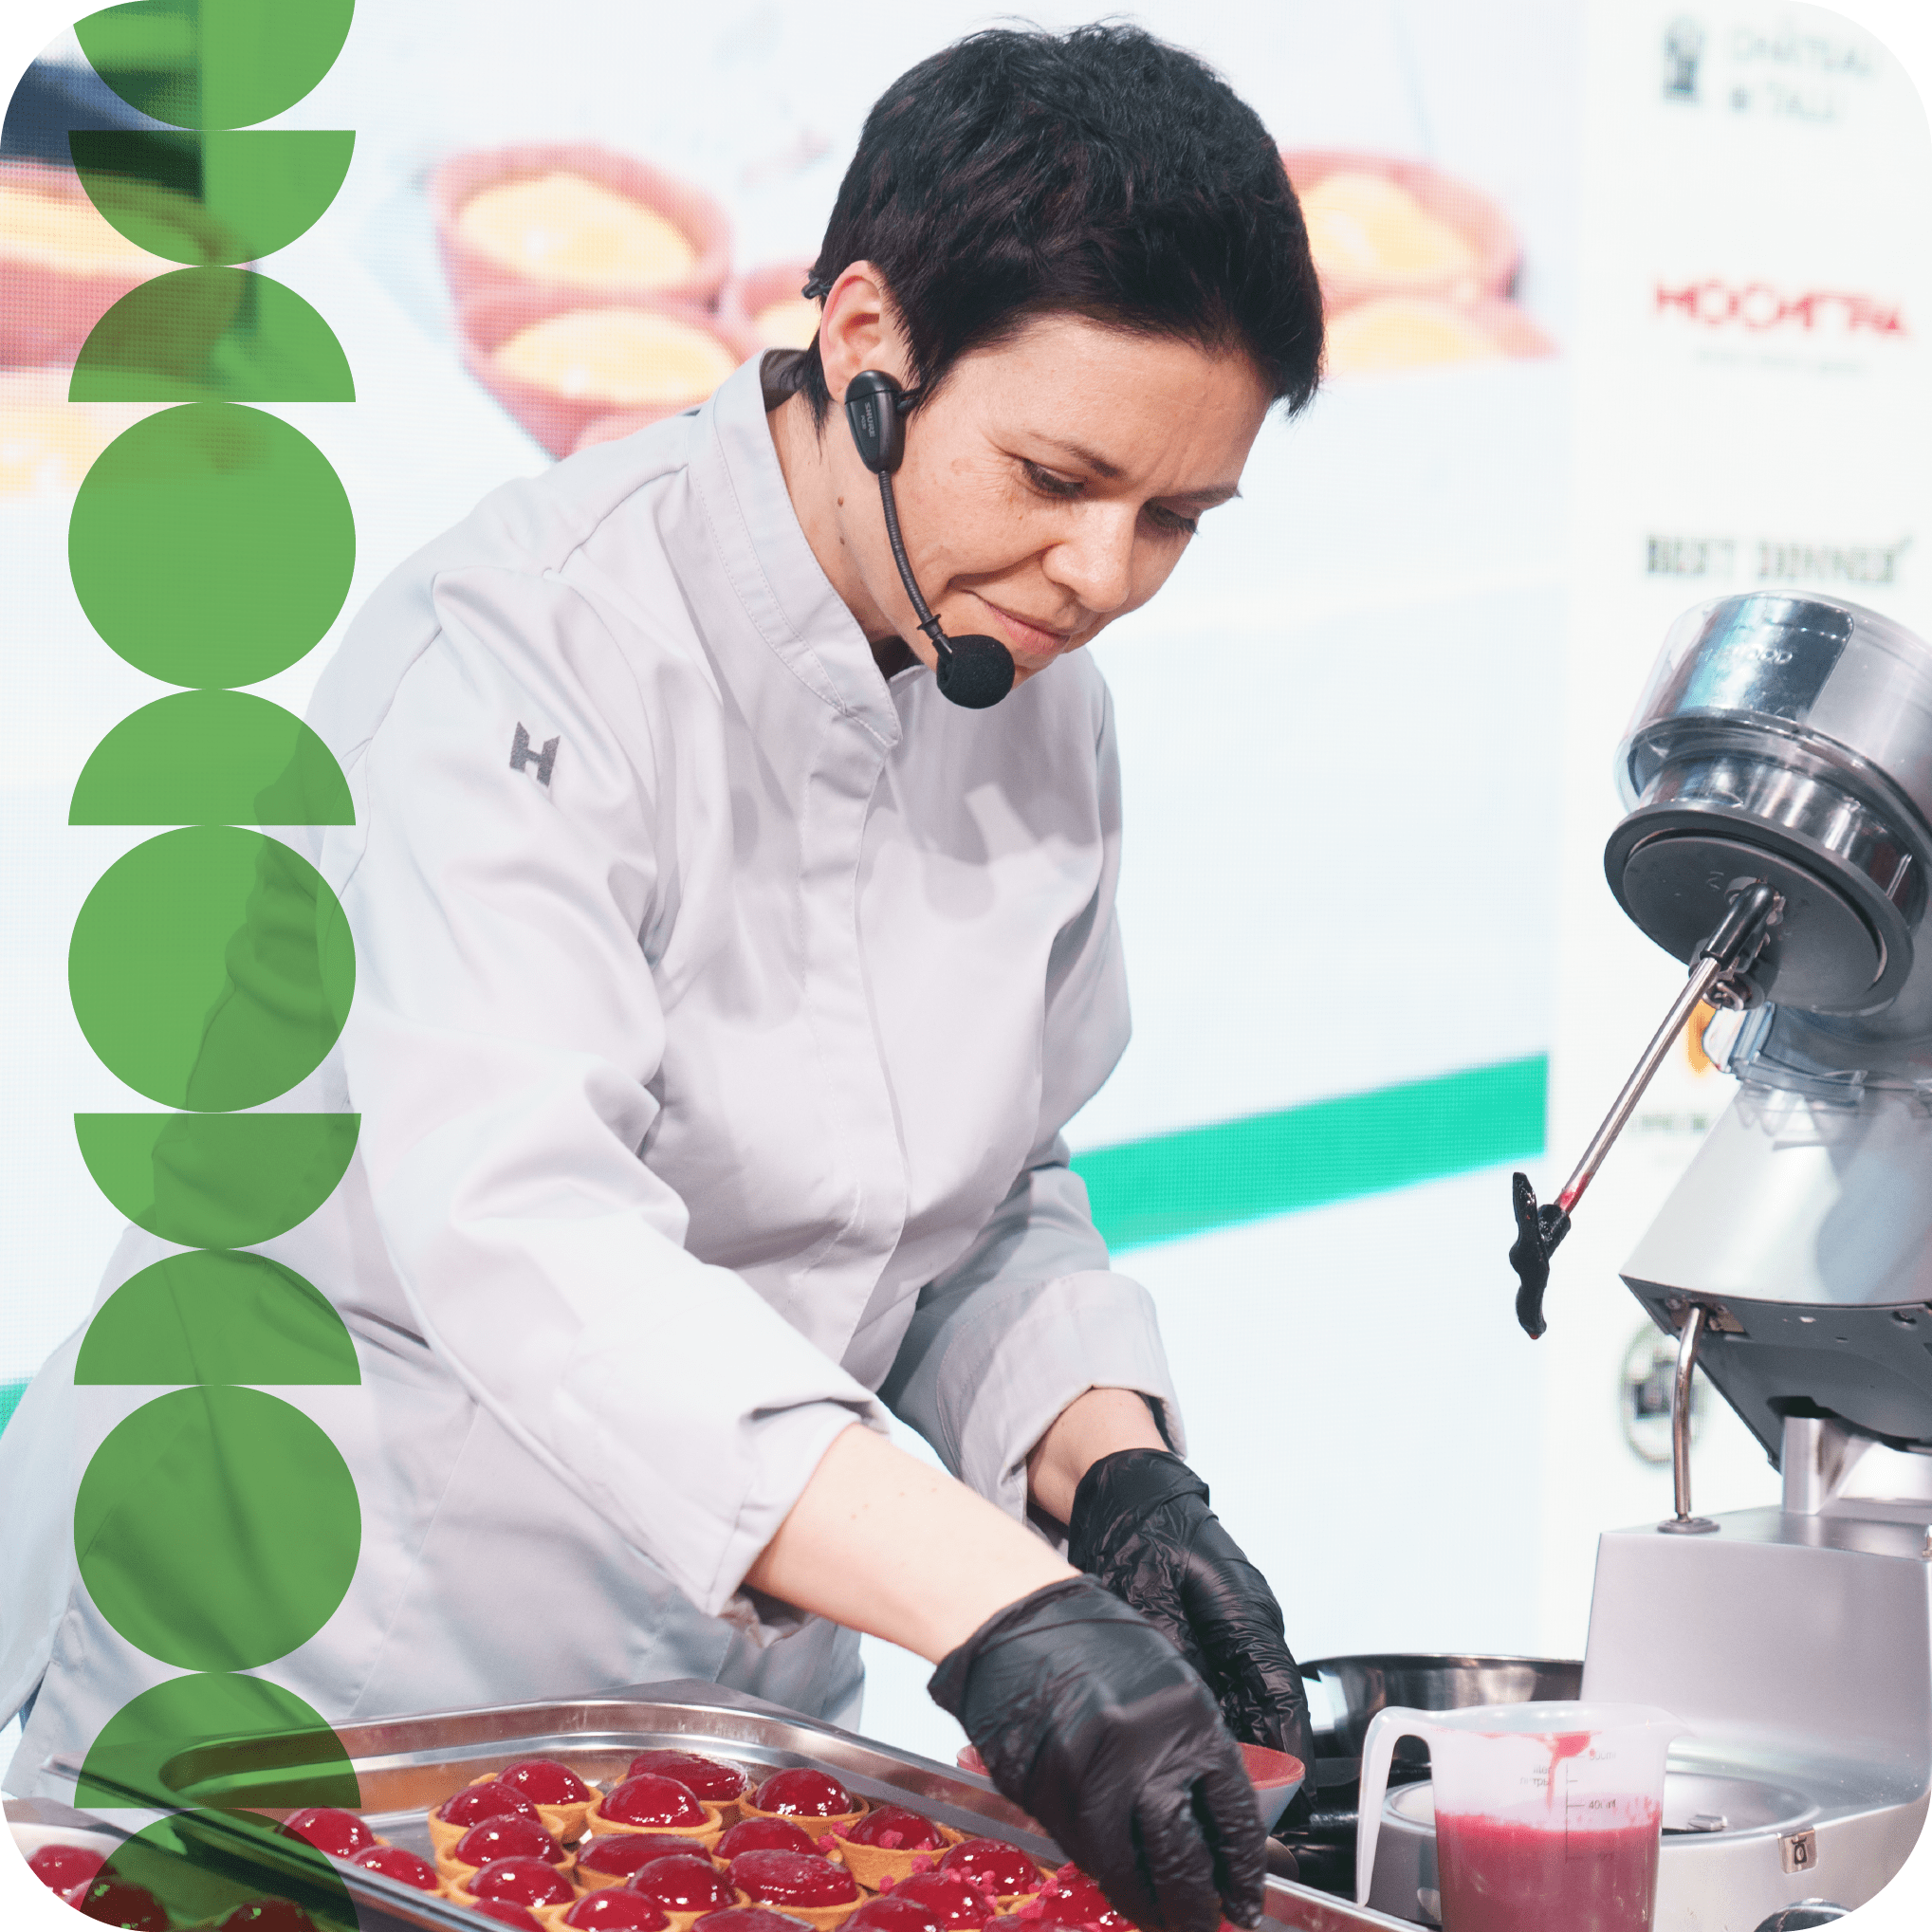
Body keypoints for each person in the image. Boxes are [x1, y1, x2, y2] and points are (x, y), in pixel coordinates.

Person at [0, 25, 1324, 1932]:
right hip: (325, 1681)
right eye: (1058, 476)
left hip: (711, 1737)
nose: (1102, 574)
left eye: (1177, 518)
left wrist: (1107, 1465)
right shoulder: (522, 648)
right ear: (866, 342)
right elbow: (529, 1234)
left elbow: (977, 1191)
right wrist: (997, 1607)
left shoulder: (1036, 691)